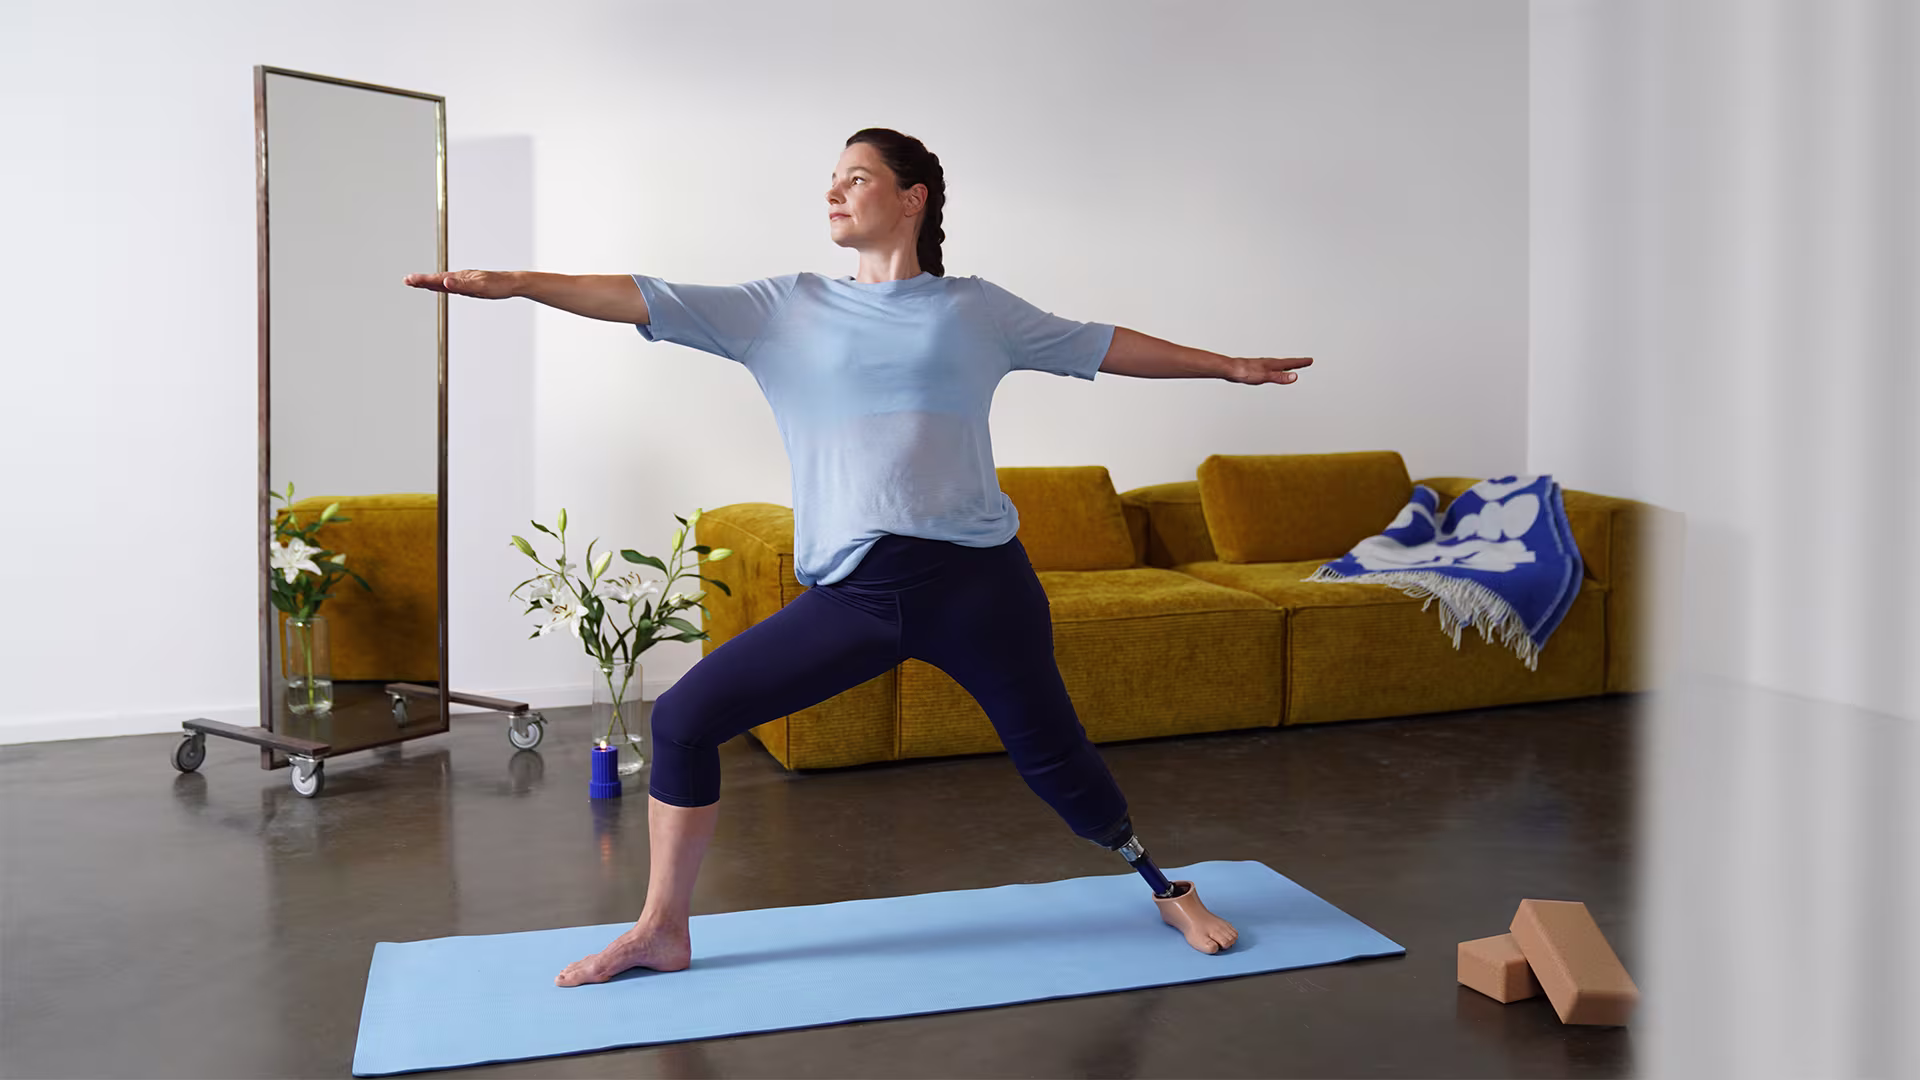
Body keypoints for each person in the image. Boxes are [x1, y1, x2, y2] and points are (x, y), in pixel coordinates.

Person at [404, 128, 1311, 986]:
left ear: (912, 199)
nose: (834, 190)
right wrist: (519, 282)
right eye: (831, 178)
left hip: (980, 584)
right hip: (857, 594)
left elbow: (1100, 345)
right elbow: (639, 294)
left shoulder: (975, 310)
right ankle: (661, 929)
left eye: (857, 176)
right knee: (683, 720)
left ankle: (1165, 888)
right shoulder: (781, 308)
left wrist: (1226, 366)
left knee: (1058, 763)